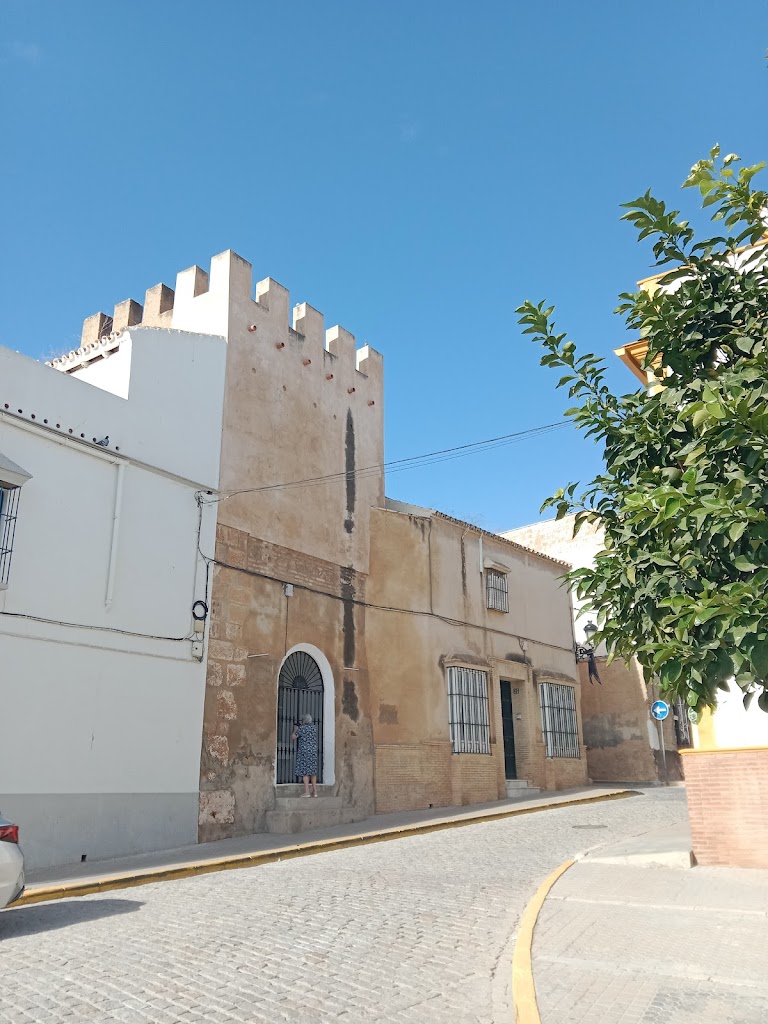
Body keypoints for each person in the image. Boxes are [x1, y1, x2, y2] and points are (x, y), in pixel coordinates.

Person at [292, 713, 319, 797]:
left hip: (304, 752)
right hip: (313, 752)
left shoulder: (301, 729)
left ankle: (307, 792)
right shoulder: (314, 728)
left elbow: (293, 737)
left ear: (303, 720)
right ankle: (315, 792)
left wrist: (295, 729)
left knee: (305, 772)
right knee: (313, 772)